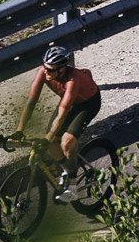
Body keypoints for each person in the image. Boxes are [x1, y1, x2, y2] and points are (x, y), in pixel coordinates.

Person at [18, 44, 101, 182]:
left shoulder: (72, 80)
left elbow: (62, 114)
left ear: (62, 69)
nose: (45, 72)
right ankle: (65, 169)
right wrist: (19, 130)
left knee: (66, 143)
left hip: (88, 104)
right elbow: (31, 102)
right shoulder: (43, 72)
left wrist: (48, 137)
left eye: (50, 70)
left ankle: (72, 185)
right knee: (51, 143)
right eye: (45, 67)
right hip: (69, 102)